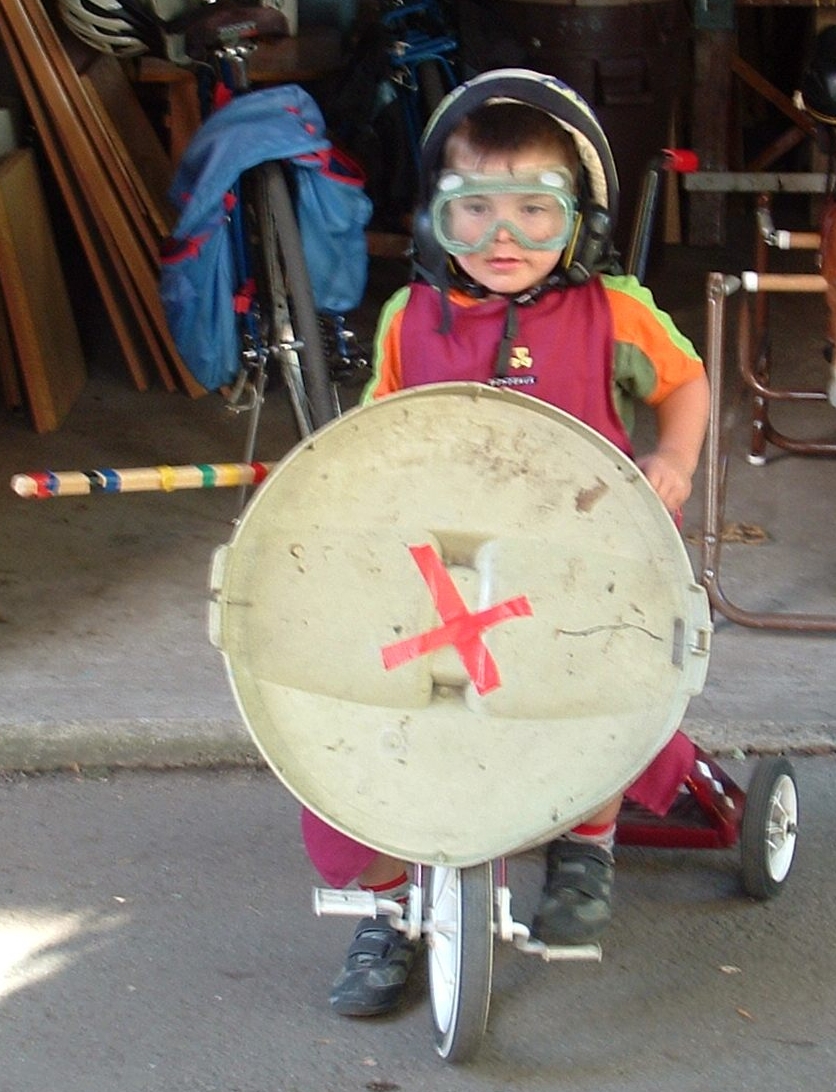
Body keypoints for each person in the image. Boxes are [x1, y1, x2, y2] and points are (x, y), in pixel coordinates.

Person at [302, 68, 710, 1018]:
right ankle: (387, 907)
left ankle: (587, 842)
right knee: (363, 721)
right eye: (473, 209)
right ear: (434, 219)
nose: (503, 238)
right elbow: (376, 440)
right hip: (439, 574)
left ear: (583, 222)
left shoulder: (617, 312)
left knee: (597, 697)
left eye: (536, 211)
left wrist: (674, 458)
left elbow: (685, 383)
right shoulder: (411, 319)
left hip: (579, 568)